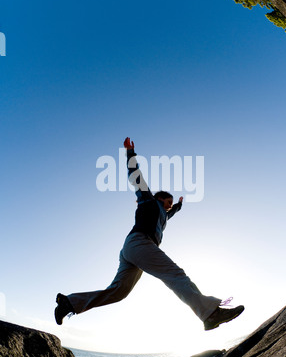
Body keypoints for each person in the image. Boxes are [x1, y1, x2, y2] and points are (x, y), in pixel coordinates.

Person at [55, 137, 244, 331]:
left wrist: (178, 206)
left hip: (132, 249)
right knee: (175, 275)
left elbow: (170, 215)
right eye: (168, 202)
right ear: (159, 198)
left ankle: (69, 303)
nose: (169, 207)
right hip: (140, 244)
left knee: (119, 292)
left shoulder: (163, 215)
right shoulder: (147, 199)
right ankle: (210, 314)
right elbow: (135, 176)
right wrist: (130, 153)